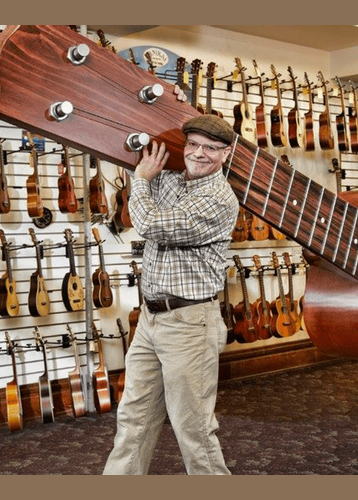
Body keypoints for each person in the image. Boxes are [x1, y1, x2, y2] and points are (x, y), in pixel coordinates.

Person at [103, 112, 239, 475]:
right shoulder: (174, 181)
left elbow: (149, 223)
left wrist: (142, 180)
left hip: (190, 324)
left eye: (211, 148)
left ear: (226, 153)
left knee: (193, 429)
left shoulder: (219, 199)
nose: (199, 153)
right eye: (193, 144)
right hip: (150, 319)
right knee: (133, 419)